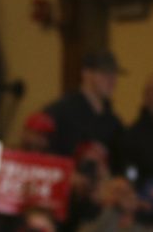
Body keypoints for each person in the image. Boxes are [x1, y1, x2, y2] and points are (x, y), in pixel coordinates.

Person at [43, 49, 126, 186]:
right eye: (105, 73)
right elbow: (44, 156)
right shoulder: (60, 112)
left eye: (115, 74)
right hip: (66, 194)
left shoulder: (114, 122)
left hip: (100, 196)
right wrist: (69, 175)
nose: (113, 80)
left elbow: (119, 166)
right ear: (86, 74)